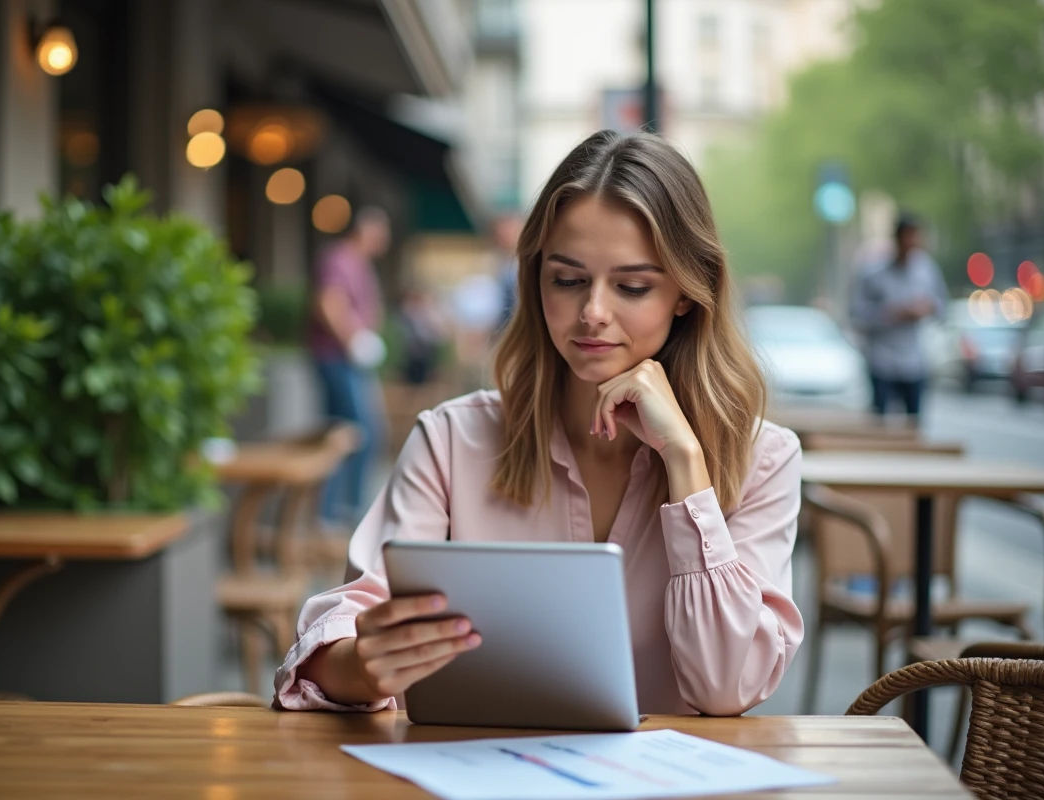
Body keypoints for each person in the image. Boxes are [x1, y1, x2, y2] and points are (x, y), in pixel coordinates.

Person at [277, 131, 803, 717]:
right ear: (535, 279)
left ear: (686, 292)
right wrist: (360, 664)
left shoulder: (763, 458)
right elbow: (340, 634)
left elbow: (725, 688)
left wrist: (685, 462)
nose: (593, 313)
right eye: (568, 280)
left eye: (632, 286)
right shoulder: (452, 440)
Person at [306, 206, 392, 525]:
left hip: (352, 362)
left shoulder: (360, 263)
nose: (385, 240)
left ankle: (335, 510)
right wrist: (353, 340)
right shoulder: (339, 259)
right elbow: (328, 303)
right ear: (364, 229)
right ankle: (338, 511)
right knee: (356, 432)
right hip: (338, 359)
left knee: (343, 431)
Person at [849, 213, 949, 418]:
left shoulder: (927, 270)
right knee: (879, 421)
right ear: (896, 238)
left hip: (914, 361)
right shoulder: (873, 273)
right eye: (907, 236)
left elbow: (942, 306)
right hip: (882, 360)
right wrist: (891, 314)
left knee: (914, 421)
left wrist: (926, 308)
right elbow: (856, 313)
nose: (912, 243)